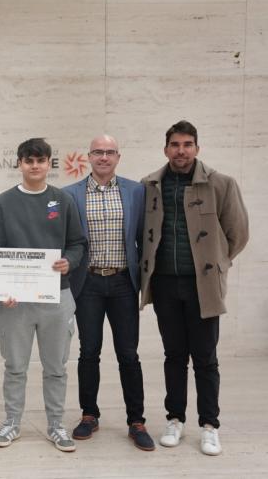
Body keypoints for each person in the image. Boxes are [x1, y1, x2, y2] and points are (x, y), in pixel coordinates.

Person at [140, 120, 249, 456]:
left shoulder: (221, 184)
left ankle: (209, 425)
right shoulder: (150, 185)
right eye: (175, 145)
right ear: (166, 149)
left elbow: (238, 233)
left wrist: (216, 263)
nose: (181, 151)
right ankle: (175, 418)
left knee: (205, 358)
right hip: (165, 284)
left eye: (187, 145)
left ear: (197, 148)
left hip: (203, 286)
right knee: (174, 356)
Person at [0, 138, 87, 452]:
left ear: (49, 164)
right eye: (29, 160)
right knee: (15, 366)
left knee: (56, 367)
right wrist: (3, 291)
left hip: (57, 297)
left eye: (41, 160)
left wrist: (68, 261)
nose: (34, 166)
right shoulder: (4, 202)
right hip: (15, 302)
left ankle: (56, 425)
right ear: (19, 163)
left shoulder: (63, 200)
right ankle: (12, 422)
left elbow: (78, 243)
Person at [61, 135, 153, 451]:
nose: (103, 157)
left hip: (123, 283)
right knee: (89, 352)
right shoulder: (70, 195)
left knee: (128, 354)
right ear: (88, 156)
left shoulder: (136, 191)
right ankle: (89, 415)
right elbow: (66, 242)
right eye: (98, 152)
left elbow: (144, 237)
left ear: (118, 157)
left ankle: (136, 421)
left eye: (109, 152)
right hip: (87, 285)